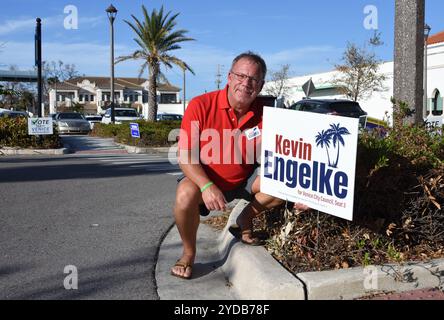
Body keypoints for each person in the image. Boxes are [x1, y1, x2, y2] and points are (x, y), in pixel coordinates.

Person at [171, 51, 305, 280]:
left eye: (253, 79)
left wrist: (305, 192)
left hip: (245, 178)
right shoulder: (200, 105)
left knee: (284, 184)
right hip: (208, 177)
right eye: (241, 76)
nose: (246, 83)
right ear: (229, 77)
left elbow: (296, 153)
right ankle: (189, 253)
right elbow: (185, 155)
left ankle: (245, 218)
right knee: (184, 195)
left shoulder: (269, 113)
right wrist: (206, 186)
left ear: (261, 85)